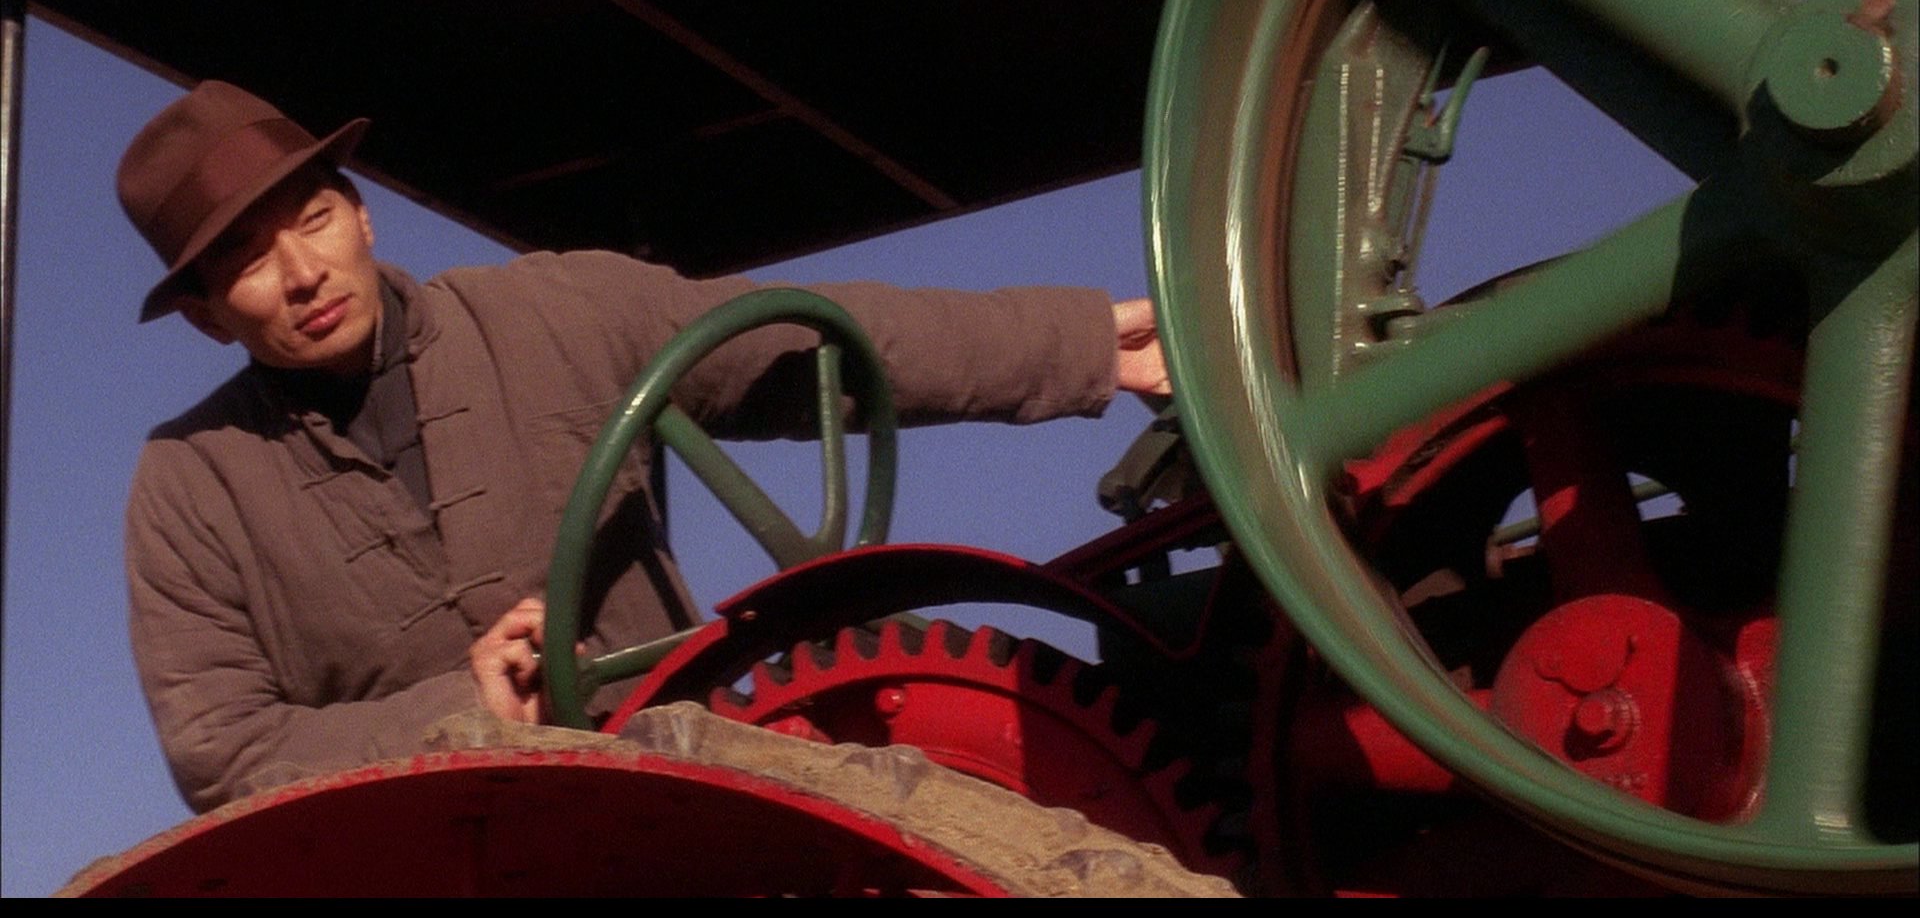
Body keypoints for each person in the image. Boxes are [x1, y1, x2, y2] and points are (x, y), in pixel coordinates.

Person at [118, 80, 1171, 812]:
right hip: (446, 849)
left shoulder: (557, 311)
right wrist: (458, 712)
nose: (301, 273)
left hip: (685, 788)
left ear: (361, 216)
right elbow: (222, 750)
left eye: (312, 218)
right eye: (246, 259)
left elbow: (812, 345)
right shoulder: (190, 485)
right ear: (208, 316)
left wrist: (1082, 344)